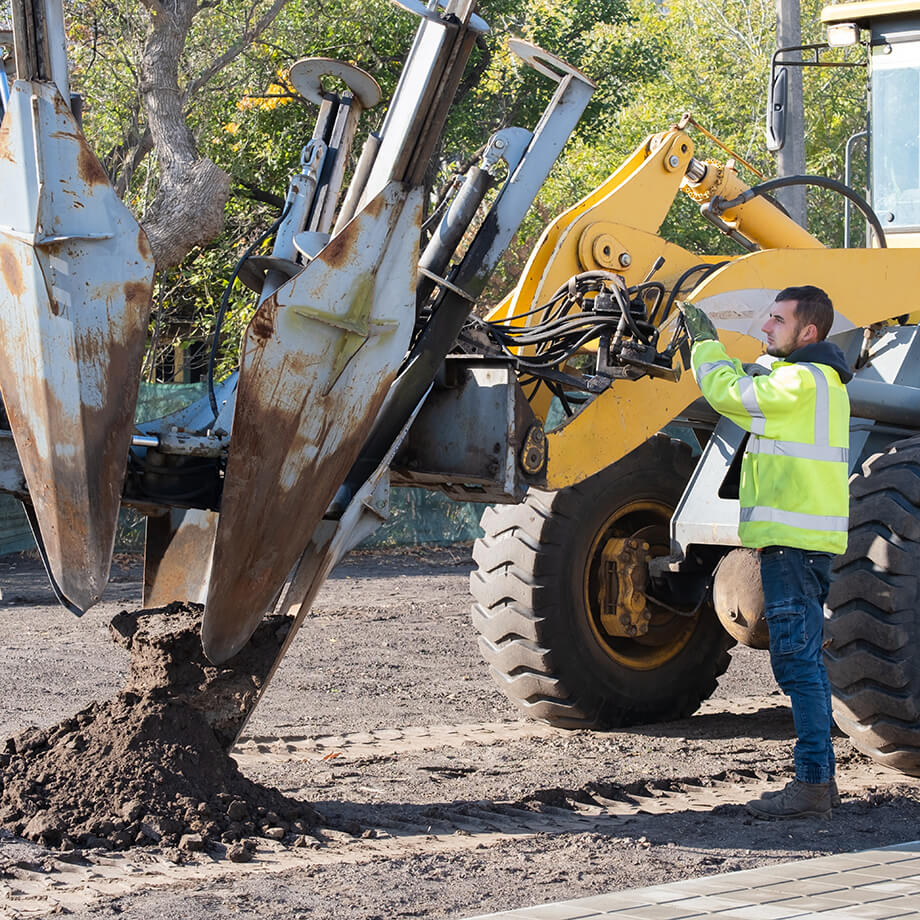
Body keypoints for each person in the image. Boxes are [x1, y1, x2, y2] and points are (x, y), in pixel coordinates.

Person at [680, 286, 851, 820]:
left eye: (776, 320)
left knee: (798, 667)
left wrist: (704, 346)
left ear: (809, 333)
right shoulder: (816, 382)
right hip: (802, 547)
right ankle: (819, 782)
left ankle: (812, 787)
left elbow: (729, 396)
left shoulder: (801, 380)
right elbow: (757, 388)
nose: (765, 327)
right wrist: (748, 366)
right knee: (804, 665)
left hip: (792, 549)